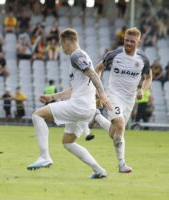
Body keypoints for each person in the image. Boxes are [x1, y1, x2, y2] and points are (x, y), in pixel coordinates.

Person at [27, 28, 112, 179]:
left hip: (79, 106)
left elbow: (93, 75)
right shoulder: (83, 56)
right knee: (68, 142)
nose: (61, 47)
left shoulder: (76, 55)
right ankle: (99, 170)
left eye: (61, 44)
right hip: (86, 108)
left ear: (67, 42)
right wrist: (52, 96)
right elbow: (75, 88)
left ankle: (44, 156)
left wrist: (103, 95)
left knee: (37, 116)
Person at [94, 27, 152, 173]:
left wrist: (143, 90)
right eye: (126, 40)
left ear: (138, 42)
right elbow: (97, 70)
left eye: (132, 41)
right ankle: (122, 164)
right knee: (120, 125)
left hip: (129, 99)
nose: (128, 43)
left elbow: (148, 77)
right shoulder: (114, 55)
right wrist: (99, 92)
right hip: (113, 95)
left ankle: (98, 117)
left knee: (115, 132)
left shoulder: (143, 59)